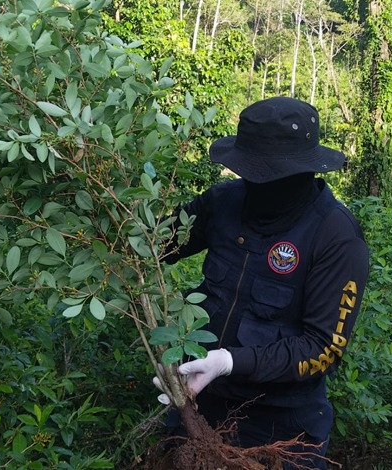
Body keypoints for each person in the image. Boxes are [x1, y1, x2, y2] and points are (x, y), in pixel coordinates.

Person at [155, 96, 369, 469]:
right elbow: (153, 247)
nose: (255, 182)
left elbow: (322, 348)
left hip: (282, 424)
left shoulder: (335, 236)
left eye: (268, 173)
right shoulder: (224, 202)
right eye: (249, 170)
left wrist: (229, 361)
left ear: (304, 169)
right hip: (201, 403)